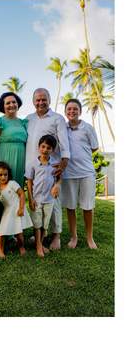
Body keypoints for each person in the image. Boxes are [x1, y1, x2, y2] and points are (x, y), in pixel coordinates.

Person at [24, 88, 70, 251]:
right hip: (33, 167)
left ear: (49, 100)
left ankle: (56, 235)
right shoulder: (28, 119)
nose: (41, 102)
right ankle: (39, 235)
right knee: (36, 203)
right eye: (37, 100)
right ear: (33, 101)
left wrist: (63, 163)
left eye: (44, 99)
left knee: (53, 202)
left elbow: (64, 143)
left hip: (52, 167)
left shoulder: (57, 118)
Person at [61, 99, 100, 249]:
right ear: (65, 112)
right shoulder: (62, 128)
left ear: (80, 111)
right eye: (69, 109)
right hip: (68, 173)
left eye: (75, 109)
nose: (72, 112)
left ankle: (90, 237)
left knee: (88, 206)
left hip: (86, 173)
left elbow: (94, 147)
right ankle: (74, 237)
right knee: (70, 207)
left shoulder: (88, 128)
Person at [26, 135, 61, 256]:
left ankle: (40, 243)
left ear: (53, 150)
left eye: (48, 148)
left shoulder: (55, 164)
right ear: (39, 147)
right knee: (37, 224)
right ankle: (38, 247)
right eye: (43, 146)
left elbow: (59, 178)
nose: (45, 150)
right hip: (36, 199)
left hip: (49, 199)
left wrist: (57, 185)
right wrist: (30, 199)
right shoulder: (33, 164)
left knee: (45, 225)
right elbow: (29, 182)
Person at [0, 162, 32, 258]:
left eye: (5, 174)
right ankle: (1, 250)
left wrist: (21, 208)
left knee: (18, 231)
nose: (3, 177)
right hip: (7, 211)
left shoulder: (12, 183)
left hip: (17, 209)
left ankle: (21, 247)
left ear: (8, 175)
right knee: (2, 231)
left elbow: (21, 194)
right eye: (0, 175)